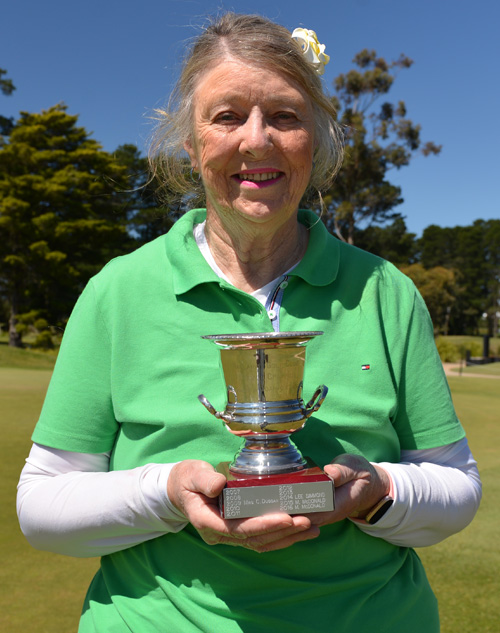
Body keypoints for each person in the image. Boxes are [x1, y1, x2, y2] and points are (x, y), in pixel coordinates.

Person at [17, 13, 481, 633]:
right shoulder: (117, 292)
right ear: (191, 145)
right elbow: (43, 505)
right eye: (227, 116)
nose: (257, 141)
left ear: (316, 142)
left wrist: (375, 492)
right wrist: (167, 493)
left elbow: (457, 488)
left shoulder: (385, 291)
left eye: (285, 116)